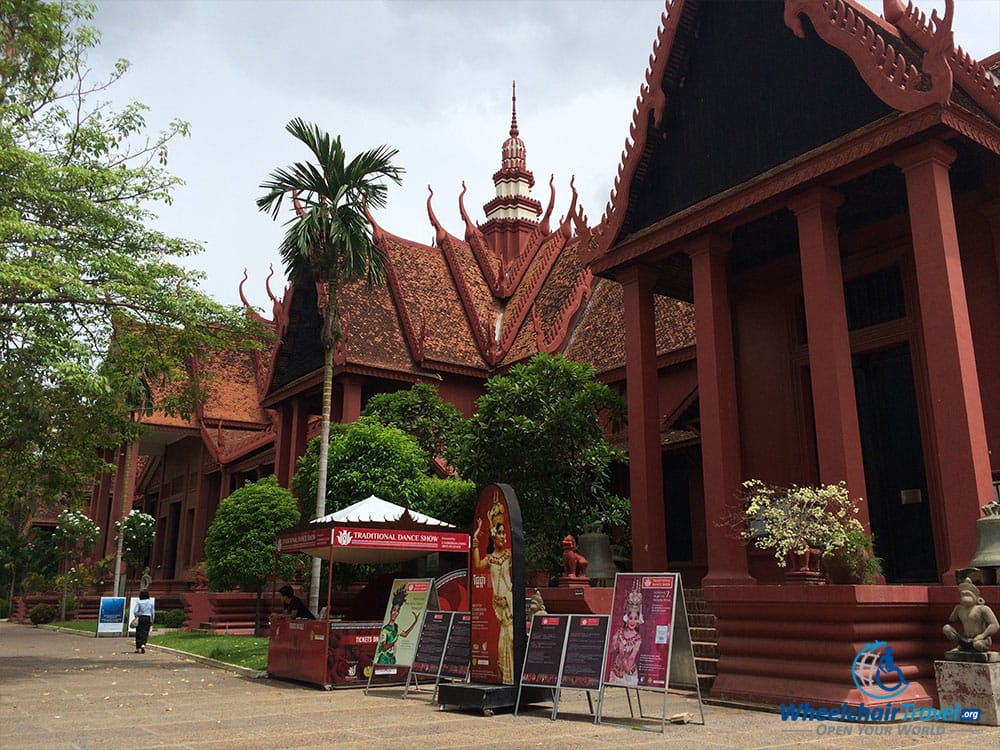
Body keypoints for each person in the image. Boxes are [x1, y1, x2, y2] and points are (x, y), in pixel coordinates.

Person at [472, 497, 514, 683]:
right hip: (497, 603)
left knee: (510, 638)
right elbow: (477, 565)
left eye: (504, 533)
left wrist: (509, 599)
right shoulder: (490, 559)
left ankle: (511, 676)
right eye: (500, 533)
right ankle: (505, 676)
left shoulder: (508, 555)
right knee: (502, 641)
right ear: (493, 535)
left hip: (509, 602)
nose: (504, 537)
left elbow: (513, 580)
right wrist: (474, 543)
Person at [943, 578, 999, 653]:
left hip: (980, 639)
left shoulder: (982, 608)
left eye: (968, 594)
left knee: (977, 645)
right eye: (963, 594)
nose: (965, 596)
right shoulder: (960, 609)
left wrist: (982, 636)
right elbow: (952, 619)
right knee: (946, 628)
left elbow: (995, 625)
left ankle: (972, 647)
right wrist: (956, 609)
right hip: (965, 638)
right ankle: (963, 646)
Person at [607, 579, 643, 686]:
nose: (632, 621)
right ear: (626, 618)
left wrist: (625, 663)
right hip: (616, 672)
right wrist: (616, 645)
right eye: (630, 618)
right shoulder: (619, 633)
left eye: (635, 618)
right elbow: (611, 650)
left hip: (629, 674)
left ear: (638, 621)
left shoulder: (638, 639)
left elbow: (632, 657)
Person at [374, 586, 420, 665]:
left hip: (391, 659)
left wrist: (415, 621)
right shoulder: (385, 630)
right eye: (394, 610)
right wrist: (393, 642)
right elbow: (384, 648)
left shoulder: (396, 627)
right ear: (390, 611)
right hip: (383, 659)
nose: (395, 613)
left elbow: (405, 634)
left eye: (397, 611)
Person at [134, 590, 154, 654]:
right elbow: (152, 612)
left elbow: (135, 611)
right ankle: (143, 644)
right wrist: (152, 620)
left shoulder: (138, 602)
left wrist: (136, 616)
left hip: (140, 618)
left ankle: (138, 648)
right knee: (145, 632)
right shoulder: (150, 602)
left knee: (139, 632)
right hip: (147, 618)